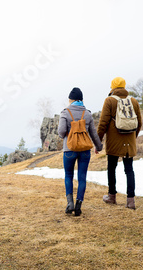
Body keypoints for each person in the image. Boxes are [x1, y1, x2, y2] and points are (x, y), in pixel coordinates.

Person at [97, 77, 142, 209]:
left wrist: (98, 141)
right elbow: (139, 123)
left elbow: (103, 124)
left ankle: (112, 196)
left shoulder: (109, 100)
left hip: (114, 141)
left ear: (112, 88)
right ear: (124, 86)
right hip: (129, 142)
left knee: (111, 168)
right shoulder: (133, 101)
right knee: (129, 170)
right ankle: (130, 201)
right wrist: (134, 137)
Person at [58, 87, 103, 216]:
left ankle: (69, 203)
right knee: (82, 177)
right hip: (84, 150)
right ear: (81, 99)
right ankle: (78, 205)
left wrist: (68, 134)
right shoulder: (87, 113)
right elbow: (94, 133)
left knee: (68, 175)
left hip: (69, 149)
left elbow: (61, 132)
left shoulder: (65, 113)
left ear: (71, 99)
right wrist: (98, 147)